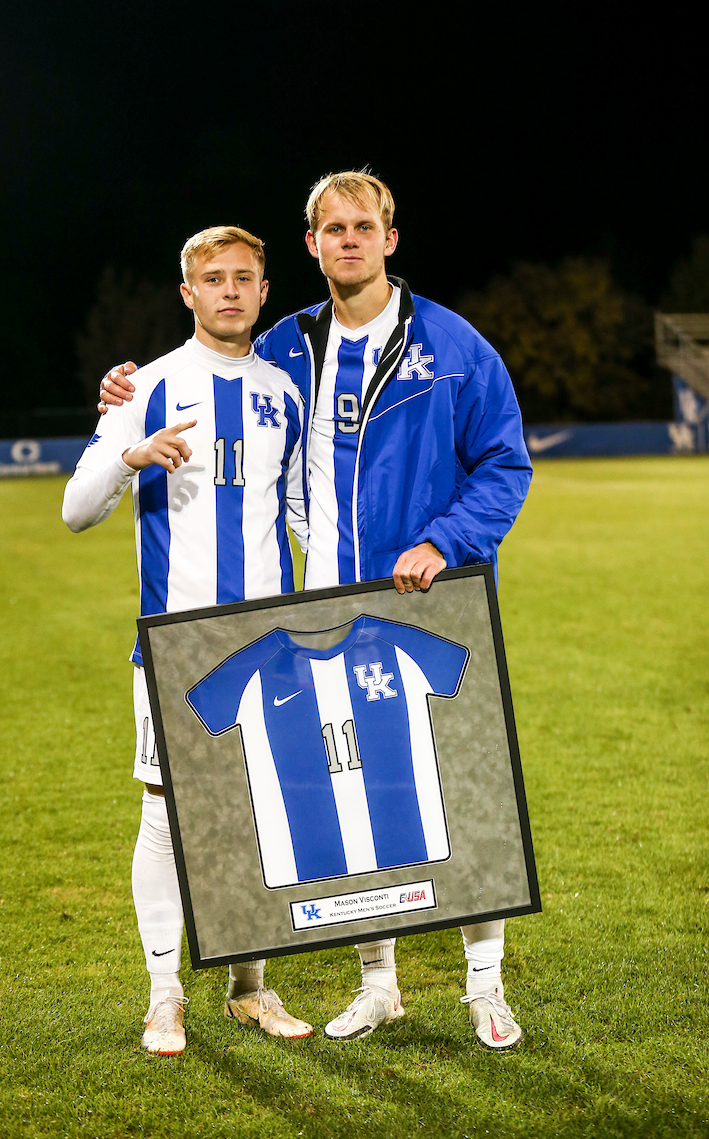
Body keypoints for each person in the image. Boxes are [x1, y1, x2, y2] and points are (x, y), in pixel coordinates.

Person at [99, 172, 533, 1051]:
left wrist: (444, 540)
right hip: (331, 604)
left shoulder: (453, 346)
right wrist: (127, 385)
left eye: (362, 226)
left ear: (390, 239)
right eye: (331, 228)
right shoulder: (292, 348)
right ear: (311, 244)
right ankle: (380, 985)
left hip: (432, 599)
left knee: (465, 794)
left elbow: (504, 464)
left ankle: (486, 988)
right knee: (361, 797)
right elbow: (222, 371)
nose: (348, 241)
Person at [64, 225, 313, 1056]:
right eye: (214, 278)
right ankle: (164, 995)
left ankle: (251, 987)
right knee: (166, 818)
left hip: (268, 645)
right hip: (173, 645)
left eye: (245, 277)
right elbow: (77, 510)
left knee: (258, 817)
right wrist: (131, 454)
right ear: (188, 293)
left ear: (265, 289)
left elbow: (305, 514)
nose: (231, 291)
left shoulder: (289, 389)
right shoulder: (148, 385)